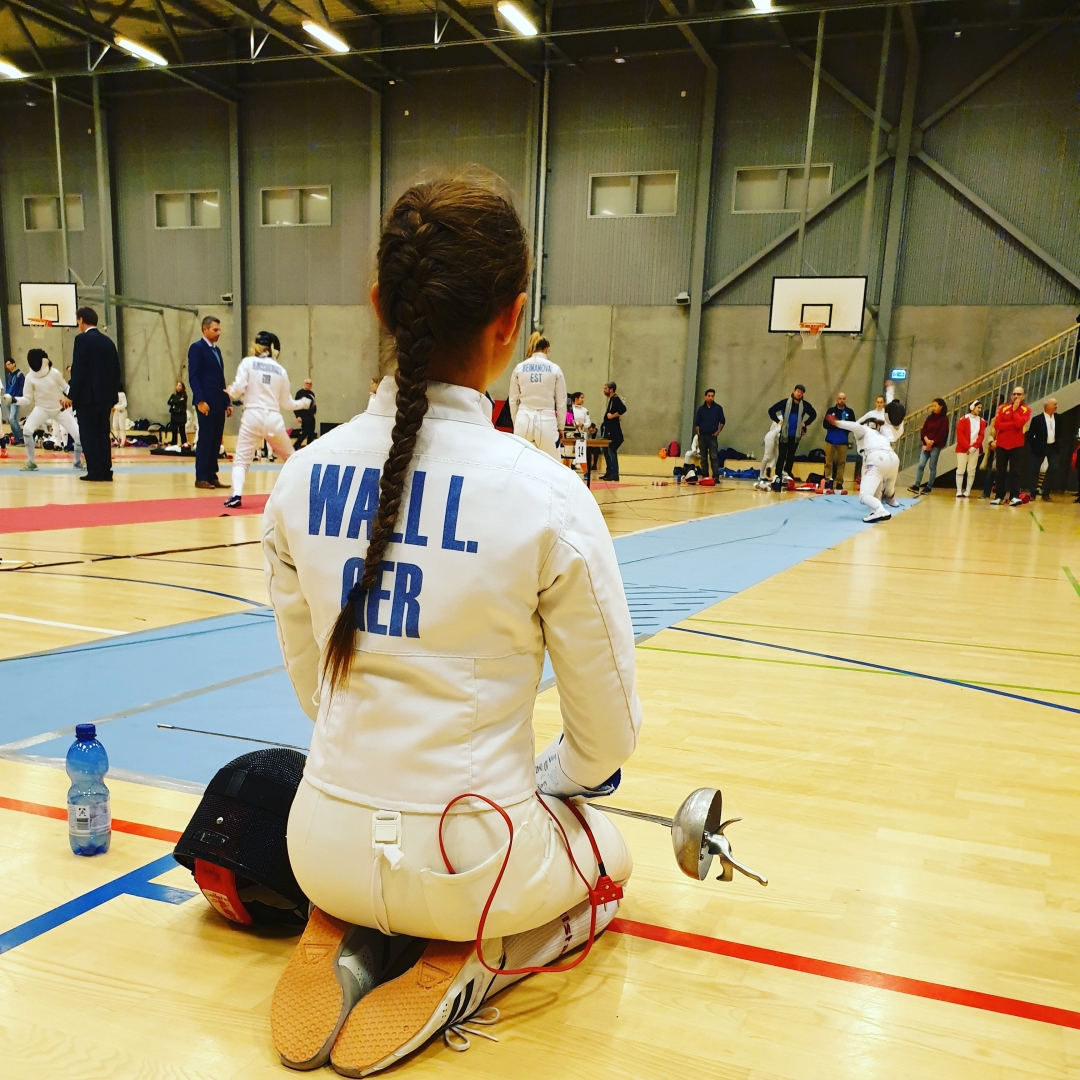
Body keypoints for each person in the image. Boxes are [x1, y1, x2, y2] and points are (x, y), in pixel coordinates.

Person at [263, 178, 639, 1077]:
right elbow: (607, 738)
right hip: (473, 862)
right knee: (612, 854)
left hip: (318, 845)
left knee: (365, 835)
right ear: (511, 320)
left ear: (379, 305)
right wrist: (554, 784)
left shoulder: (299, 478)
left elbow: (314, 693)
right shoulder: (550, 497)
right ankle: (478, 960)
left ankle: (352, 928)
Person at [223, 331, 310, 509]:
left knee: (242, 459)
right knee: (291, 457)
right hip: (273, 418)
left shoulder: (248, 363)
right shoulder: (281, 370)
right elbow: (286, 403)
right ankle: (305, 493)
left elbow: (238, 390)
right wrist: (304, 403)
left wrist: (230, 390)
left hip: (251, 416)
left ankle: (236, 495)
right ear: (274, 349)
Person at [826, 398, 906, 523]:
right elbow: (897, 427)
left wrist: (836, 423)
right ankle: (883, 502)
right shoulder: (884, 434)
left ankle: (880, 509)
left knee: (864, 495)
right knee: (880, 487)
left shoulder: (865, 429)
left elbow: (854, 426)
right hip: (893, 460)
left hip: (877, 459)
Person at [3, 349, 82, 473]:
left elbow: (66, 388)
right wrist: (14, 399)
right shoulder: (29, 377)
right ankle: (31, 463)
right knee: (27, 430)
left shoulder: (54, 373)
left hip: (59, 409)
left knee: (78, 435)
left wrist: (72, 397)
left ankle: (77, 463)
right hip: (41, 409)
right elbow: (27, 399)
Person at [66, 307, 120, 483]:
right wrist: (113, 396)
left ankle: (95, 471)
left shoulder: (82, 340)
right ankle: (106, 471)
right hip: (106, 398)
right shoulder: (108, 342)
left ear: (81, 320)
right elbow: (116, 371)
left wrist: (71, 395)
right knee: (103, 434)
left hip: (88, 398)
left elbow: (79, 370)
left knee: (89, 435)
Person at [188, 315, 232, 489]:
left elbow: (220, 379)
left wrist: (227, 401)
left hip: (218, 401)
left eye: (219, 329)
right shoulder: (197, 348)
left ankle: (212, 475)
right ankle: (201, 477)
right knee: (205, 440)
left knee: (215, 440)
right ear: (205, 329)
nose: (218, 332)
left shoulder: (217, 351)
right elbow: (194, 376)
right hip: (205, 402)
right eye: (215, 329)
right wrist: (200, 400)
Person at [507, 333, 567, 460]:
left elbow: (513, 400)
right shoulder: (555, 369)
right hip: (546, 422)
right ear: (547, 349)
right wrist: (561, 426)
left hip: (523, 420)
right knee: (552, 465)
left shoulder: (519, 368)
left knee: (521, 465)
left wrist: (516, 422)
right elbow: (561, 402)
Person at [767, 384, 816, 491]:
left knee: (791, 456)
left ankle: (787, 473)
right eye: (798, 391)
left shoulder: (804, 405)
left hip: (796, 435)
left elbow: (813, 414)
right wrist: (778, 421)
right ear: (794, 391)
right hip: (785, 434)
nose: (799, 394)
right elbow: (771, 410)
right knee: (782, 455)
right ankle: (778, 475)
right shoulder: (785, 402)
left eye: (801, 393)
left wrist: (805, 423)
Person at [991, 386, 1031, 506]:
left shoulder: (1026, 409)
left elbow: (1019, 424)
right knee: (1000, 472)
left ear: (1024, 396)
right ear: (1011, 396)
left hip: (1017, 445)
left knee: (1015, 472)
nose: (1016, 396)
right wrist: (1011, 425)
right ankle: (999, 496)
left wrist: (1014, 411)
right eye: (1014, 394)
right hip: (1002, 444)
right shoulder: (1003, 408)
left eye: (1019, 394)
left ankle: (1014, 496)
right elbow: (998, 425)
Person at [908, 398, 949, 495]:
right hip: (926, 444)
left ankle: (929, 486)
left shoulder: (944, 419)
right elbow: (924, 429)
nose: (933, 408)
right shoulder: (929, 418)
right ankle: (916, 485)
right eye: (932, 406)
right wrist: (926, 440)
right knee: (921, 464)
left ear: (941, 407)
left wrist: (932, 442)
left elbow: (942, 433)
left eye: (935, 406)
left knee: (932, 466)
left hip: (936, 445)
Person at [1025, 398, 1058, 501]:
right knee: (1035, 470)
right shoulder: (1037, 419)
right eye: (1054, 404)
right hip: (1040, 448)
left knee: (1053, 468)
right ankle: (1032, 493)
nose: (1056, 406)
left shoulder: (1058, 418)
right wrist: (1035, 446)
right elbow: (1030, 435)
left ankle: (1046, 493)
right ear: (1047, 406)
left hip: (1052, 447)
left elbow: (1059, 432)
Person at [822, 391, 856, 491]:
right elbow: (825, 424)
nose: (841, 400)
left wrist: (842, 425)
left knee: (841, 462)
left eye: (843, 399)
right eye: (840, 398)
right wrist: (833, 424)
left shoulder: (849, 412)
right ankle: (828, 479)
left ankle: (839, 482)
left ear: (845, 400)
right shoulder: (831, 411)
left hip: (843, 441)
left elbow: (853, 426)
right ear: (837, 399)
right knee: (828, 461)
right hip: (830, 440)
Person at [954, 400, 986, 498]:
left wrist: (974, 447)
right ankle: (959, 490)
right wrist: (968, 447)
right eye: (978, 407)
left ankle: (968, 491)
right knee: (960, 469)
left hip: (975, 449)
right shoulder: (963, 419)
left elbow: (981, 435)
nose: (979, 410)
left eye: (980, 408)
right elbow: (960, 435)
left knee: (971, 470)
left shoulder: (982, 421)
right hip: (962, 448)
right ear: (972, 407)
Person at [693, 389, 726, 480]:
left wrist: (717, 432)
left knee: (714, 457)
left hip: (712, 436)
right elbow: (697, 423)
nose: (711, 398)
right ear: (705, 397)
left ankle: (715, 477)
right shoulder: (700, 409)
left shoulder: (718, 408)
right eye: (709, 396)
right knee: (703, 457)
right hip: (702, 436)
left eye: (712, 396)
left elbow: (722, 422)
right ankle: (705, 476)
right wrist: (699, 434)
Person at [600, 380, 626, 480]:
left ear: (611, 389)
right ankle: (609, 471)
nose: (604, 390)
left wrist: (613, 415)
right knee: (606, 450)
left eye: (606, 388)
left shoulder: (615, 399)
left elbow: (623, 409)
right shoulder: (611, 399)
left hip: (613, 431)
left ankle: (615, 474)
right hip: (609, 430)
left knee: (611, 451)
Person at [293, 378, 317, 449]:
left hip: (311, 416)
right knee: (304, 432)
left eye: (310, 384)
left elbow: (314, 404)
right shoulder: (300, 393)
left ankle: (309, 448)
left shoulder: (312, 394)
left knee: (311, 433)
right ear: (304, 384)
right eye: (307, 383)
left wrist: (314, 413)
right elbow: (295, 405)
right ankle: (294, 447)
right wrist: (297, 416)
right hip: (303, 416)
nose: (309, 385)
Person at [4, 358, 24, 445]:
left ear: (14, 364)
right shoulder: (9, 375)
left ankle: (20, 437)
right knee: (12, 419)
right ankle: (16, 438)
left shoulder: (20, 375)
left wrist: (17, 397)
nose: (7, 366)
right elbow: (8, 386)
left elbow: (22, 387)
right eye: (6, 365)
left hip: (15, 399)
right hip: (8, 399)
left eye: (9, 364)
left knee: (12, 419)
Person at [167, 382, 189, 446]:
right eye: (177, 385)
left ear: (182, 387)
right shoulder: (173, 396)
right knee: (174, 432)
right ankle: (174, 445)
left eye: (180, 386)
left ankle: (184, 445)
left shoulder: (184, 396)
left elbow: (182, 402)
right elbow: (169, 402)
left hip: (181, 416)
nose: (178, 387)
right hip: (174, 415)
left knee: (182, 432)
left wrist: (174, 401)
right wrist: (178, 401)